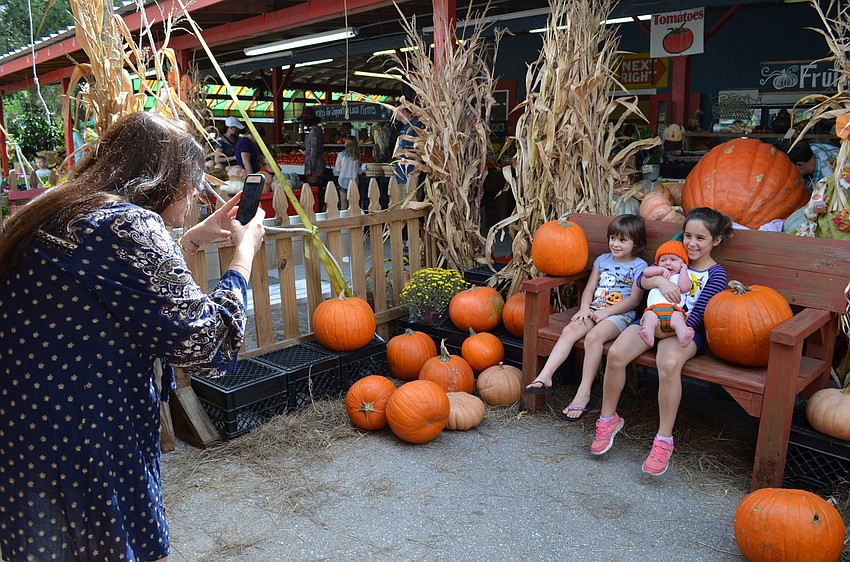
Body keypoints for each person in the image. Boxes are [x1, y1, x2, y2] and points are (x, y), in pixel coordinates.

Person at [0, 111, 266, 561]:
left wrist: (192, 240)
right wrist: (243, 256)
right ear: (170, 181)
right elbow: (209, 347)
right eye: (194, 185)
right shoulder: (130, 226)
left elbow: (117, 294)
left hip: (28, 427)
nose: (195, 198)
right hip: (90, 433)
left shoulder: (62, 208)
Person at [591, 207, 734, 476]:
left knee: (668, 363)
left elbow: (703, 312)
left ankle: (663, 439)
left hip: (684, 329)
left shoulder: (715, 274)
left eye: (701, 238)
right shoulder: (671, 259)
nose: (692, 243)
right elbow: (640, 281)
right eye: (688, 236)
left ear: (715, 241)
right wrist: (658, 279)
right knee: (617, 354)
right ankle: (608, 419)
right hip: (649, 319)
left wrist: (672, 330)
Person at [525, 214, 648, 420]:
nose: (615, 244)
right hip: (593, 309)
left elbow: (635, 301)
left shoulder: (639, 266)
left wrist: (607, 312)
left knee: (593, 338)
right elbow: (590, 288)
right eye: (613, 238)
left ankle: (584, 393)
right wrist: (584, 308)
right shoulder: (602, 260)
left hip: (618, 316)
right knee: (570, 330)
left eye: (623, 240)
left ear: (637, 243)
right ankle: (545, 376)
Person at [637, 241, 694, 348]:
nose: (667, 263)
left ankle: (683, 337)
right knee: (648, 319)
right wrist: (660, 270)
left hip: (673, 310)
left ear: (683, 262)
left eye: (673, 259)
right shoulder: (657, 273)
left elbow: (684, 288)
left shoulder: (684, 274)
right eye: (663, 260)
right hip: (653, 310)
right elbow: (645, 272)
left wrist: (683, 269)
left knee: (678, 319)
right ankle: (648, 336)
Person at [392, 106, 425, 187]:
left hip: (410, 175)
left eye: (396, 108)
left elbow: (420, 151)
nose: (394, 112)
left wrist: (415, 174)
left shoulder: (415, 126)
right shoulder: (405, 127)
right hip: (403, 174)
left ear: (403, 110)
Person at [333, 135, 362, 210]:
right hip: (354, 180)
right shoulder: (357, 156)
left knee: (343, 204)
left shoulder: (341, 155)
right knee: (353, 204)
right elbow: (359, 167)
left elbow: (337, 169)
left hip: (343, 180)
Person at [300, 107, 326, 186]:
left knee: (313, 188)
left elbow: (313, 151)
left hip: (314, 166)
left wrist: (309, 169)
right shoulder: (318, 130)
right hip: (318, 163)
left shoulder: (313, 132)